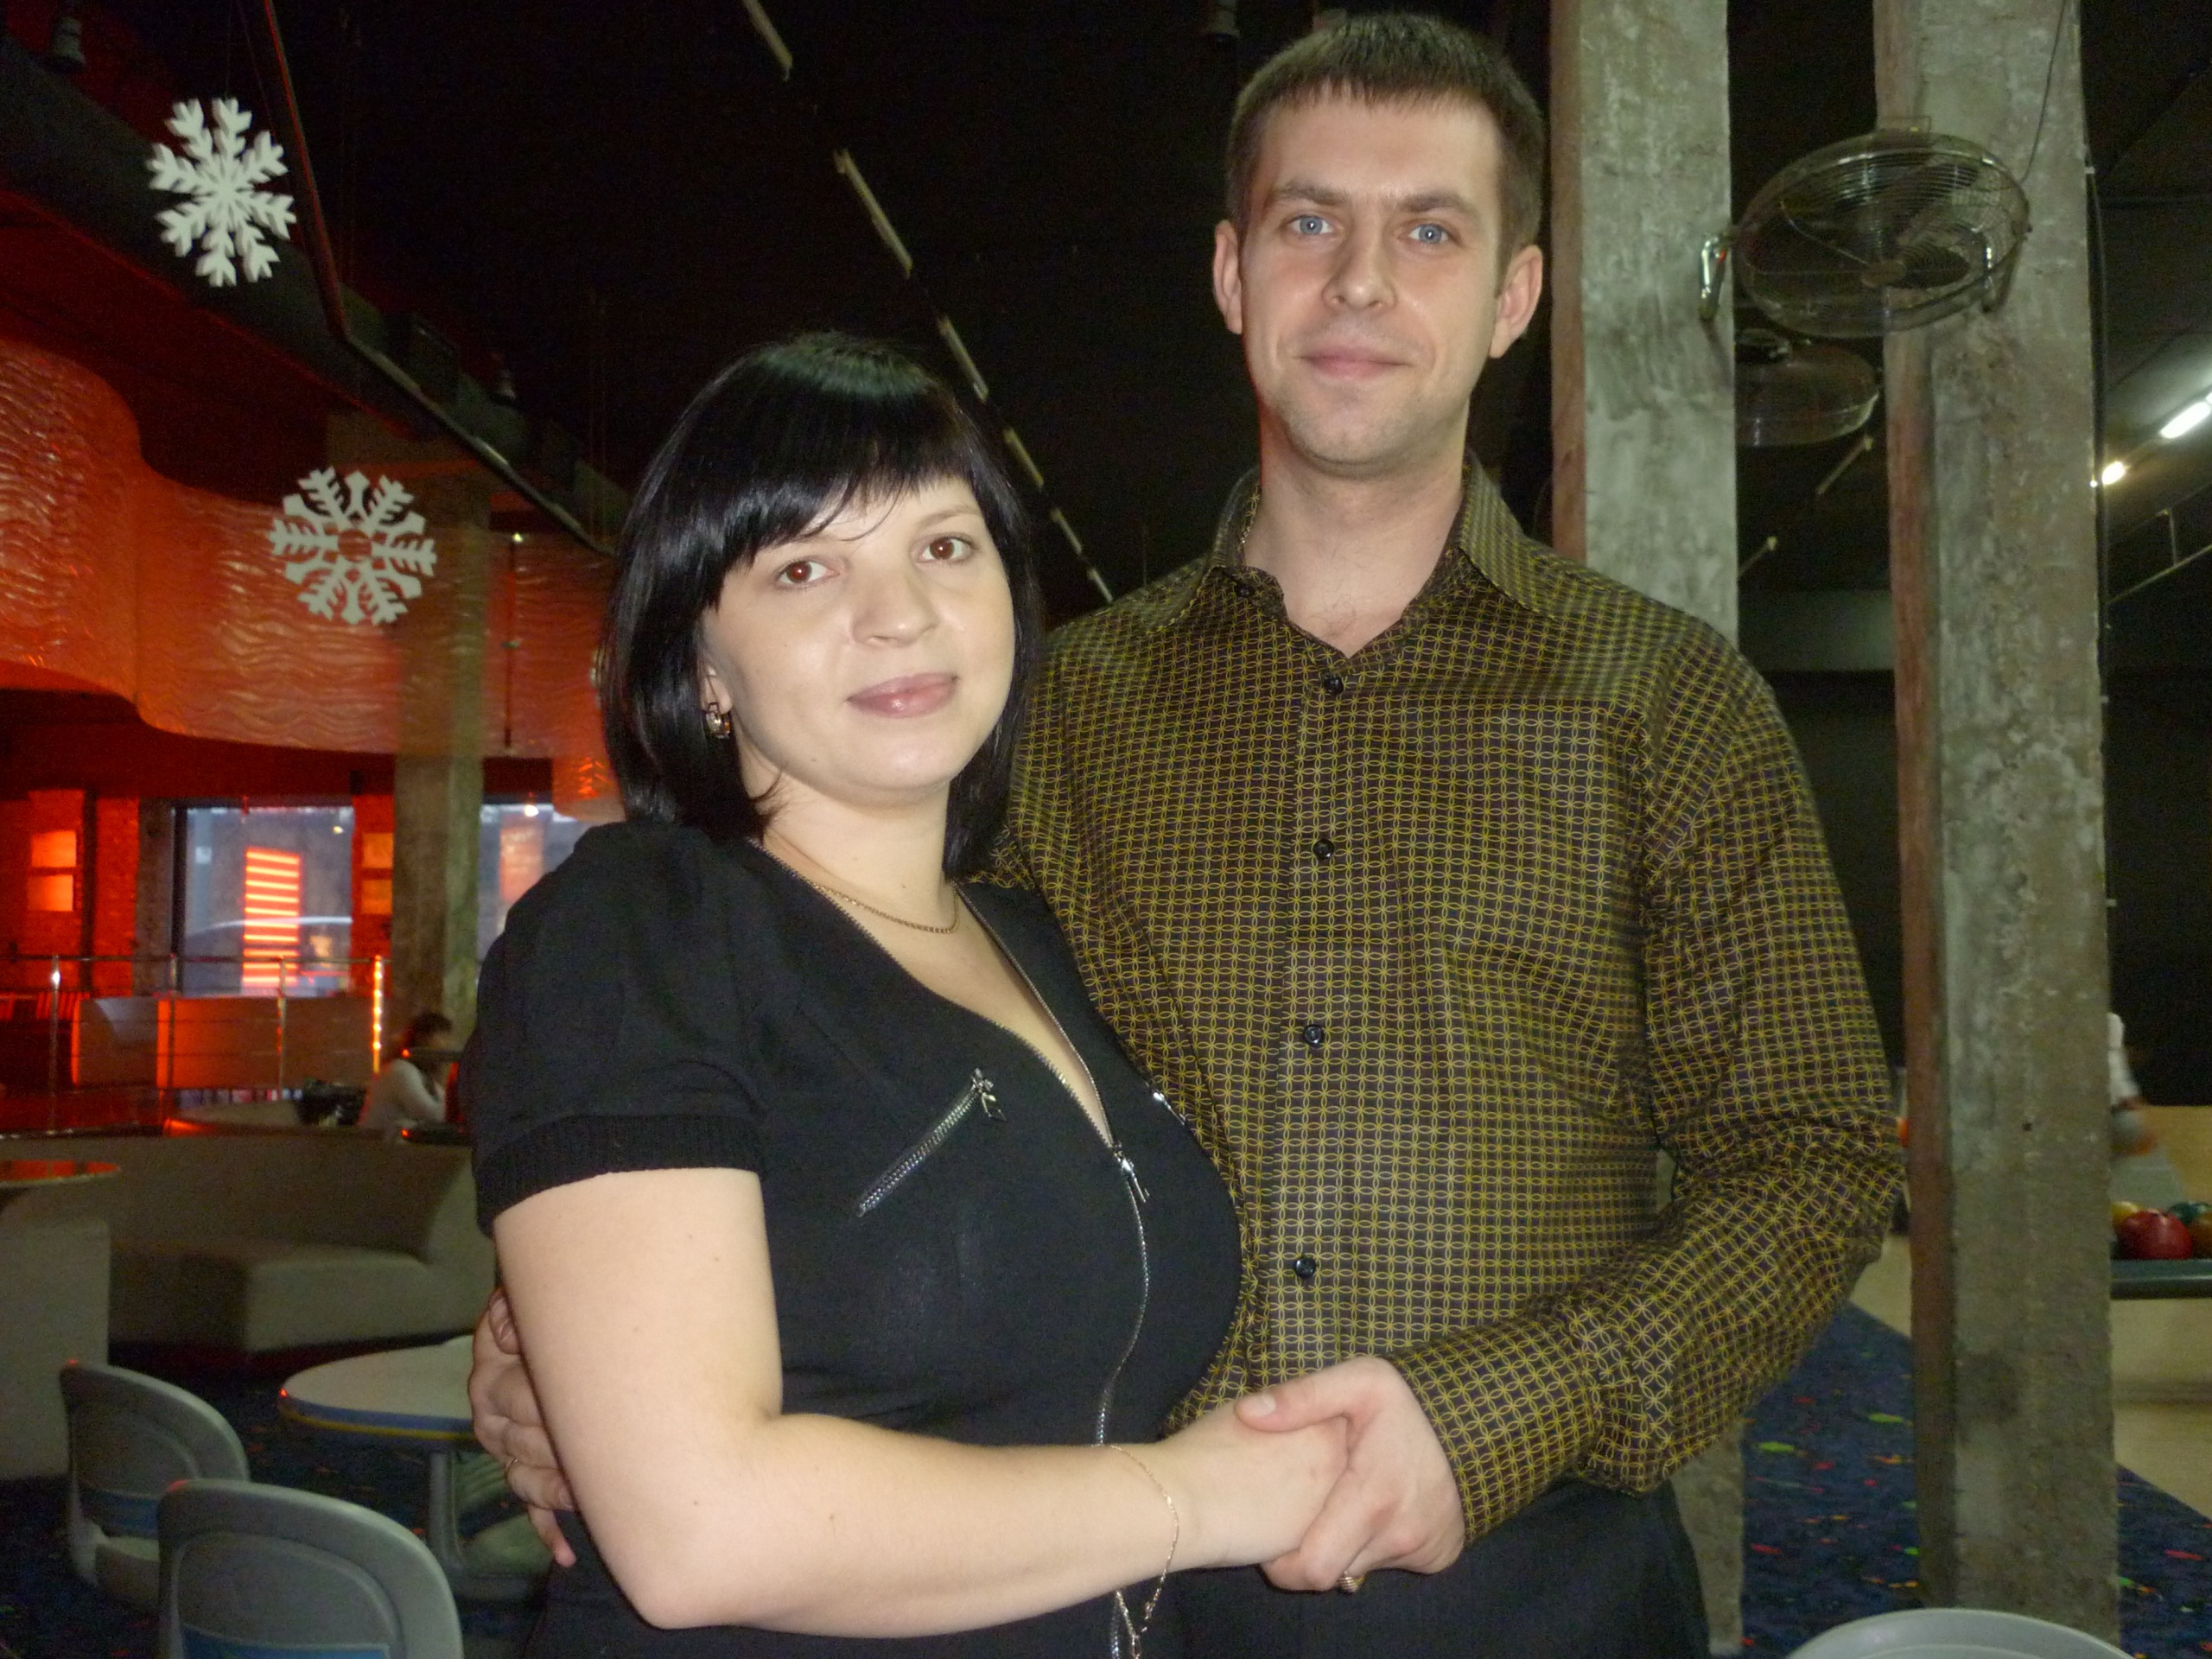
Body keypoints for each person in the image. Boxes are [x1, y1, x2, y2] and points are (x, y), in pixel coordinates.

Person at [475, 16, 1901, 1657]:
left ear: (1514, 296)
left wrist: (1499, 1413)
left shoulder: (1667, 702)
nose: (1360, 282)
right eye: (1310, 222)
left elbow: (1810, 1155)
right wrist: (567, 1325)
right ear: (1234, 273)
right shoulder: (1043, 712)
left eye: (1430, 232)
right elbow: (829, 1062)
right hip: (1101, 1589)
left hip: (1534, 1577)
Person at [460, 334, 1346, 1656]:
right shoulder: (640, 928)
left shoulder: (1046, 940)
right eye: (805, 568)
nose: (900, 613)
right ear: (700, 663)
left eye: (943, 546)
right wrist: (1198, 1500)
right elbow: (700, 1531)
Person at [360, 1009, 452, 1135]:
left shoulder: (420, 1074)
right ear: (421, 1038)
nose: (446, 1044)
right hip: (379, 1144)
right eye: (441, 1037)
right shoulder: (401, 1070)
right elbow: (431, 1114)